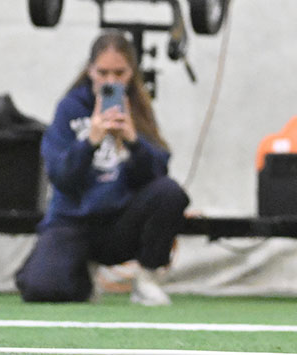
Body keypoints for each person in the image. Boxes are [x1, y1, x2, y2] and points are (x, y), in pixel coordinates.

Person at [15, 31, 189, 305]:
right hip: (74, 223)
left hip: (120, 223)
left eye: (119, 73)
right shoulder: (69, 108)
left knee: (170, 192)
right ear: (90, 71)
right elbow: (60, 177)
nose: (111, 81)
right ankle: (79, 275)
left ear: (131, 73)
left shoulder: (138, 110)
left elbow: (156, 177)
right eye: (103, 72)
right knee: (42, 289)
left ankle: (147, 278)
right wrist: (90, 142)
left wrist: (133, 142)